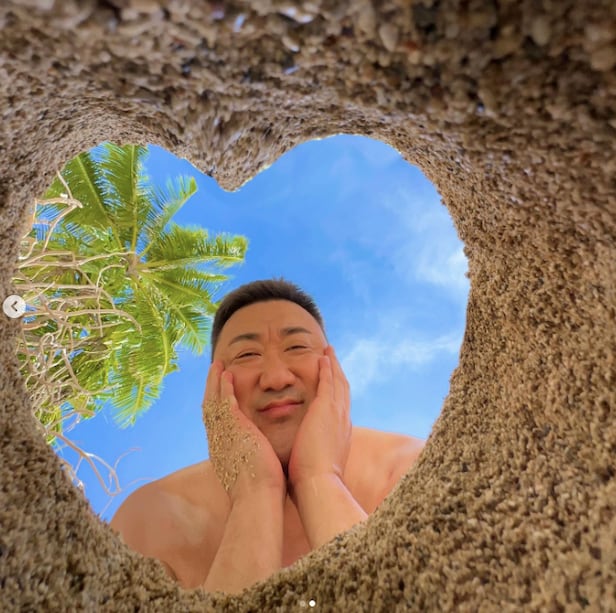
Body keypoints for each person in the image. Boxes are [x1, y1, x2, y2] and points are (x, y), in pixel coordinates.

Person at [110, 279, 425, 594]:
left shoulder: (410, 470)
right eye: (247, 354)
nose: (276, 378)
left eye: (297, 347)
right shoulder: (153, 518)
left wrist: (319, 477)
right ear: (214, 385)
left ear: (333, 367)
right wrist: (254, 494)